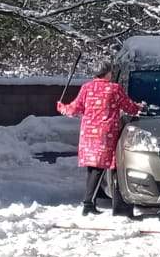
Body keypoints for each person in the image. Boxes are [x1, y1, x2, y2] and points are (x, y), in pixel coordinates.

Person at [58, 62, 141, 216]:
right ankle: (88, 203)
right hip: (105, 133)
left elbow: (75, 108)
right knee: (98, 168)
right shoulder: (114, 89)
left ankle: (90, 201)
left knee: (92, 168)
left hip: (88, 133)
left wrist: (63, 107)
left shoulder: (86, 88)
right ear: (107, 73)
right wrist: (139, 108)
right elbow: (129, 107)